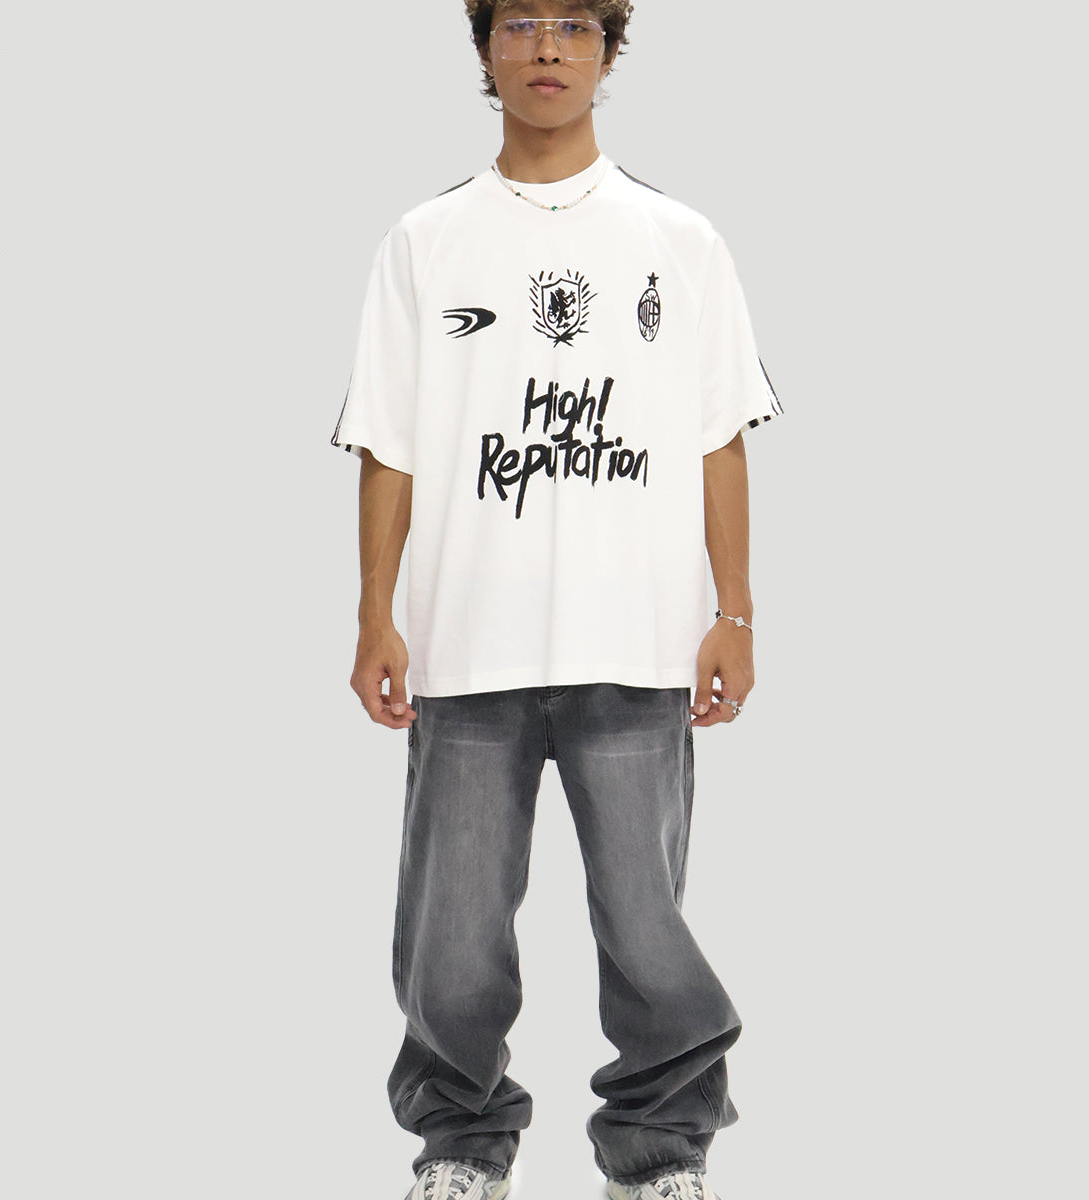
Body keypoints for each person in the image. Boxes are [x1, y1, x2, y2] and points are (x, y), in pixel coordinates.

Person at [329, 3, 784, 1199]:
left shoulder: (681, 240)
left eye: (574, 26)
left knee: (646, 921)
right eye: (521, 23)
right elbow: (388, 446)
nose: (546, 49)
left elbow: (719, 438)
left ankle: (660, 1150)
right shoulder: (424, 242)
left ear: (608, 51)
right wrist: (375, 612)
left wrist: (735, 611)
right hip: (466, 643)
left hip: (635, 641)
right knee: (451, 931)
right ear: (484, 47)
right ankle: (461, 1147)